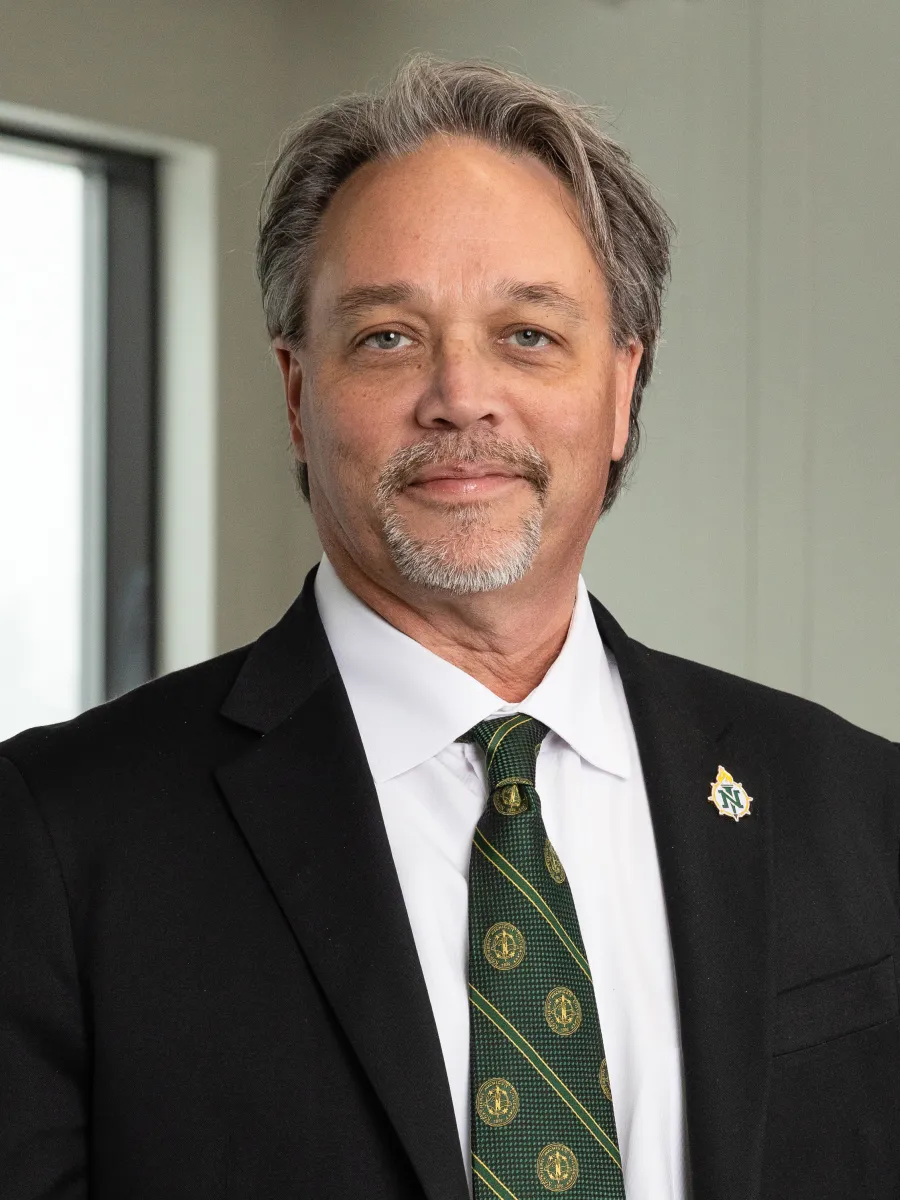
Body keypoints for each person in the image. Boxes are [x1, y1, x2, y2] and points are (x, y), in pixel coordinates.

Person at [1, 53, 897, 1200]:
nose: (461, 396)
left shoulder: (860, 808)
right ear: (295, 392)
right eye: (387, 337)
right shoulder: (59, 844)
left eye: (528, 334)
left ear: (623, 390)